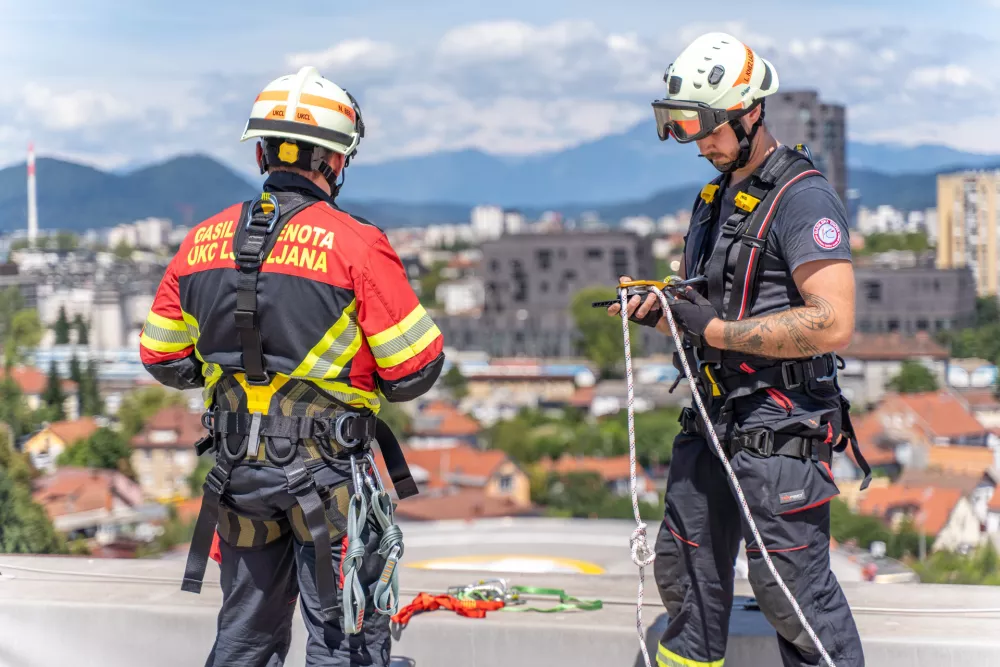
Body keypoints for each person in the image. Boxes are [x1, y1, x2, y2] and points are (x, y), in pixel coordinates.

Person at [139, 65, 444, 667]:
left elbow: (162, 357)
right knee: (344, 644)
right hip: (328, 482)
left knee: (245, 640)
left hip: (239, 476)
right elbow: (415, 371)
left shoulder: (202, 239)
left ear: (260, 153)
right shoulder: (356, 244)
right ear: (335, 161)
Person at [609, 32, 871, 667]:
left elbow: (834, 323)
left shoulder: (803, 198)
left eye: (710, 129)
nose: (701, 145)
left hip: (777, 432)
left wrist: (715, 331)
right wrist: (671, 312)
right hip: (712, 420)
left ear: (752, 112)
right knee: (686, 577)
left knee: (792, 598)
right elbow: (718, 303)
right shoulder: (715, 197)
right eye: (688, 130)